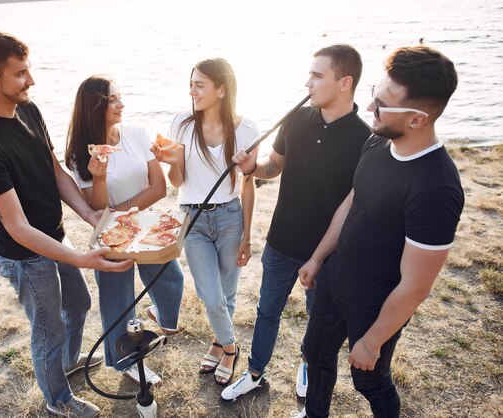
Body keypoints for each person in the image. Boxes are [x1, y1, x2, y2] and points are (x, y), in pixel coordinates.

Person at [0, 32, 133, 418]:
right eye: (20, 73)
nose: (31, 81)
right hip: (25, 256)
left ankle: (64, 367)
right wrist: (82, 259)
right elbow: (17, 226)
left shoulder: (29, 111)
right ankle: (58, 400)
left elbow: (55, 173)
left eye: (29, 69)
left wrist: (90, 215)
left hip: (54, 237)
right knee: (48, 330)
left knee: (80, 304)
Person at [291, 46, 464, 418]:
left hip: (375, 304)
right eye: (374, 94)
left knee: (368, 381)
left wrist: (371, 343)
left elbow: (416, 285)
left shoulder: (437, 189)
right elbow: (352, 203)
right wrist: (319, 257)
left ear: (417, 119)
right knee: (316, 354)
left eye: (382, 104)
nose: (370, 108)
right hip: (335, 280)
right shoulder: (379, 139)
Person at [221, 44, 371, 402]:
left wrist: (322, 257)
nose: (307, 83)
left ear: (345, 82)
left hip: (327, 254)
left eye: (317, 76)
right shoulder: (297, 118)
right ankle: (255, 372)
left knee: (316, 320)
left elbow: (355, 207)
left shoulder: (365, 139)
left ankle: (306, 364)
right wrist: (252, 169)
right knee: (266, 311)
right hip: (280, 242)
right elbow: (274, 166)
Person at [65, 74, 185, 386]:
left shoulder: (137, 133)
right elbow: (96, 209)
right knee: (117, 300)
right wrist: (100, 178)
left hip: (144, 227)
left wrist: (125, 212)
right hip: (111, 237)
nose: (121, 104)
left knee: (171, 278)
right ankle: (125, 361)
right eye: (112, 100)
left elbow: (158, 188)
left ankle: (161, 317)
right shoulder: (81, 155)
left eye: (120, 97)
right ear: (95, 108)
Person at [153, 57, 257, 386]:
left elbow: (248, 183)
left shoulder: (247, 129)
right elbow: (178, 180)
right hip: (193, 219)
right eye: (191, 83)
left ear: (222, 89)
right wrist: (171, 161)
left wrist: (247, 237)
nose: (192, 91)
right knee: (210, 296)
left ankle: (216, 343)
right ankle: (231, 347)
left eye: (200, 84)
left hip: (230, 217)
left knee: (226, 294)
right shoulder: (181, 123)